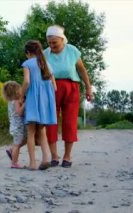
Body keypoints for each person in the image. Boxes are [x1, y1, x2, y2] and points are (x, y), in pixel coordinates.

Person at [43, 25, 93, 168]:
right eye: (49, 43)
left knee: (69, 122)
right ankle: (54, 156)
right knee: (51, 121)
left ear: (62, 39)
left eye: (55, 42)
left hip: (71, 87)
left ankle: (67, 156)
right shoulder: (45, 54)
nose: (52, 45)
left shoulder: (72, 51)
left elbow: (82, 70)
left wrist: (88, 88)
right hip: (51, 88)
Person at [22, 40, 57, 170]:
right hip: (45, 102)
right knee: (42, 131)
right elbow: (55, 87)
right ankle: (46, 159)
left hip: (32, 100)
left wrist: (21, 94)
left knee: (31, 132)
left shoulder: (27, 64)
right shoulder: (46, 64)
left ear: (28, 53)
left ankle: (32, 163)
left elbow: (26, 82)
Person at [2, 81, 27, 169]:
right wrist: (24, 104)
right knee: (17, 144)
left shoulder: (11, 101)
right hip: (18, 127)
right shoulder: (16, 101)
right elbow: (19, 112)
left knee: (21, 141)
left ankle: (12, 151)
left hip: (15, 126)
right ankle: (14, 163)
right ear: (16, 92)